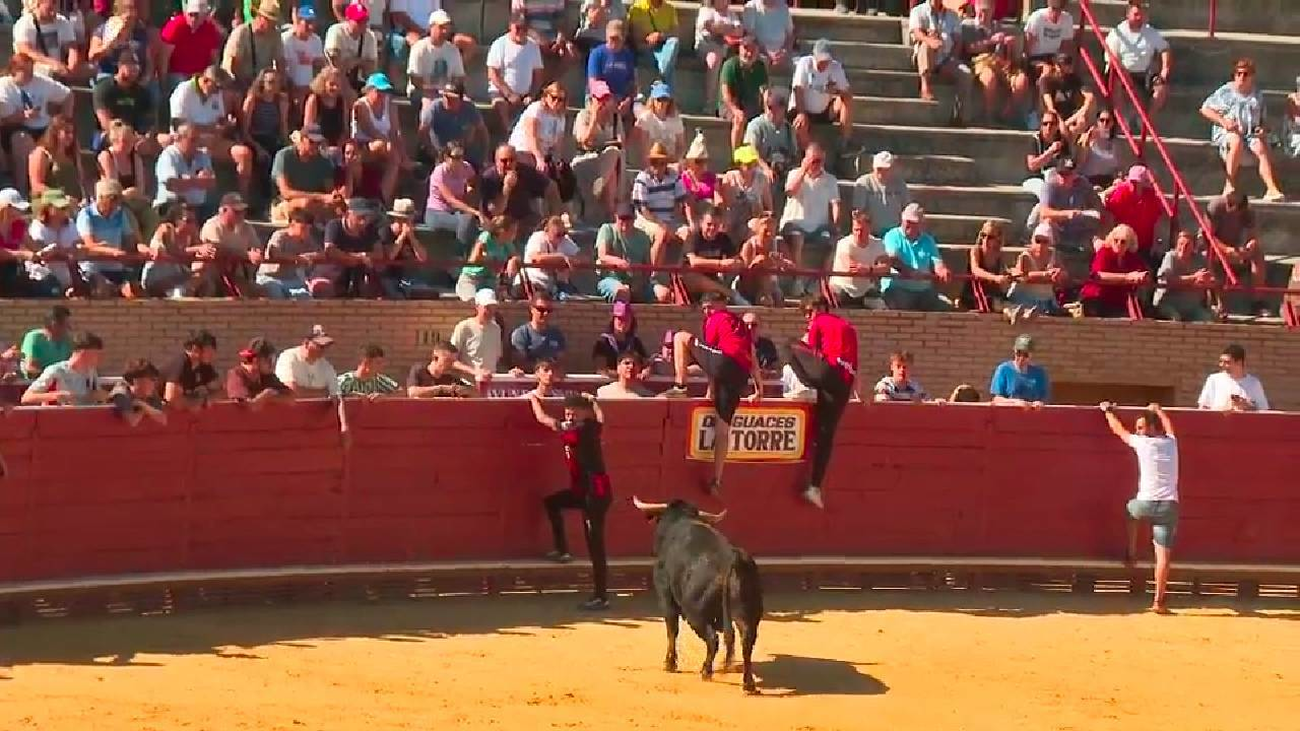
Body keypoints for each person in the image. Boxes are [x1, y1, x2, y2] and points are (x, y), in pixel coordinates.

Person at [664, 292, 763, 496]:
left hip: (725, 363)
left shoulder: (715, 319)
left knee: (680, 337)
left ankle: (681, 387)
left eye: (710, 306)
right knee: (723, 429)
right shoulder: (741, 326)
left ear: (722, 304)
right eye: (705, 308)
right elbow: (752, 356)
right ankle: (717, 480)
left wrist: (710, 389)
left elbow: (713, 360)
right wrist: (759, 389)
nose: (707, 311)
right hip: (740, 375)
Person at [532, 392, 613, 612]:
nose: (569, 413)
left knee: (595, 545)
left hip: (594, 495)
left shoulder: (582, 430)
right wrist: (595, 402)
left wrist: (533, 401)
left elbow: (548, 421)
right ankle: (563, 550)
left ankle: (601, 596)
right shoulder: (590, 427)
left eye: (574, 410)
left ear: (583, 413)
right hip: (585, 490)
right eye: (567, 409)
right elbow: (601, 419)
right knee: (552, 503)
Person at [1099, 400, 1179, 614]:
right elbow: (1170, 428)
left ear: (1152, 428)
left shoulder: (1143, 444)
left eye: (1142, 428)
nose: (1139, 432)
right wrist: (1159, 410)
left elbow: (1119, 431)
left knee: (1130, 511)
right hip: (1168, 507)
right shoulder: (1171, 443)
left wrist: (1107, 411)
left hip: (1144, 504)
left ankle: (1132, 552)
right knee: (1163, 557)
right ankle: (1158, 602)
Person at [787, 295, 858, 509]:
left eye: (810, 312)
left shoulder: (820, 321)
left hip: (829, 373)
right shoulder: (849, 327)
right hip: (844, 384)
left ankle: (804, 387)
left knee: (789, 345)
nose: (808, 317)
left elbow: (809, 347)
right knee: (825, 434)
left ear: (821, 308)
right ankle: (815, 487)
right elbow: (856, 367)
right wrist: (858, 393)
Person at [1200, 58, 1286, 202]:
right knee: (1236, 140)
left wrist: (1262, 129)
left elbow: (1263, 120)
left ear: (1252, 76)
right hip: (1229, 132)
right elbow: (1205, 109)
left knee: (1260, 146)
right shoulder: (1226, 92)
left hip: (1250, 133)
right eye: (1238, 74)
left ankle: (1272, 188)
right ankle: (1229, 185)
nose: (1241, 77)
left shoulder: (1257, 94)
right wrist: (1224, 122)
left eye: (1245, 74)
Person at [168, 65, 253, 198]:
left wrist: (225, 124)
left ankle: (242, 199)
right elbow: (178, 125)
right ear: (206, 81)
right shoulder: (184, 90)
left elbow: (218, 118)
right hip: (189, 140)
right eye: (217, 87)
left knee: (244, 154)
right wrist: (208, 129)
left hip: (213, 140)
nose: (219, 91)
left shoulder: (216, 94)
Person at [0, 52, 74, 195]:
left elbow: (68, 95)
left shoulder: (41, 82)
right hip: (16, 127)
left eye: (31, 70)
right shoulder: (4, 86)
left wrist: (65, 120)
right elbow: (5, 118)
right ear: (14, 71)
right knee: (22, 141)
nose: (30, 75)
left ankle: (69, 189)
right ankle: (23, 190)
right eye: (25, 71)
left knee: (64, 135)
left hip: (43, 126)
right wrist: (23, 116)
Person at [779, 142, 840, 297]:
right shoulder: (794, 174)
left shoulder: (830, 180)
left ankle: (820, 282)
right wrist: (804, 170)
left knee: (835, 242)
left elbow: (835, 203)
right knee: (798, 238)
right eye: (814, 160)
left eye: (820, 161)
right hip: (795, 222)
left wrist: (835, 223)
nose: (817, 164)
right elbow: (790, 191)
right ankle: (798, 280)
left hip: (818, 226)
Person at [961, 0, 1028, 124]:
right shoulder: (968, 25)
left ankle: (1009, 112)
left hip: (1000, 62)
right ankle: (988, 115)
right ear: (975, 9)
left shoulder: (998, 26)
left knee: (1021, 79)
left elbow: (1010, 55)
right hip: (980, 61)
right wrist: (991, 41)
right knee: (989, 78)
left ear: (993, 10)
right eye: (981, 11)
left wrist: (1009, 45)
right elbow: (969, 48)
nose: (983, 15)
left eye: (987, 11)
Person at [77, 179, 146, 298]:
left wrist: (140, 248)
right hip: (92, 269)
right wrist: (113, 252)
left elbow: (130, 239)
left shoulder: (120, 213)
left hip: (117, 268)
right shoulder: (86, 214)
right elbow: (89, 245)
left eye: (118, 199)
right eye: (113, 199)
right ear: (101, 198)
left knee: (134, 291)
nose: (117, 203)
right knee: (103, 290)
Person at [1105, 0, 1171, 119]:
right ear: (1127, 15)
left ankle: (1146, 122)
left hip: (1143, 73)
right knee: (1116, 82)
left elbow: (1165, 48)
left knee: (1161, 88)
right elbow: (1112, 58)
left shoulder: (1150, 31)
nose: (1139, 18)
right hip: (1121, 72)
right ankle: (1120, 121)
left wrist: (1165, 70)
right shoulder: (1117, 33)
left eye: (1141, 15)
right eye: (1135, 15)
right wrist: (1125, 76)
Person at [908, 0, 970, 125]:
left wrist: (953, 58)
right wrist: (929, 40)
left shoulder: (952, 16)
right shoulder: (918, 11)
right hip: (925, 56)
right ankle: (925, 86)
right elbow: (916, 33)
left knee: (966, 74)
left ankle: (959, 114)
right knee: (927, 46)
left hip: (945, 58)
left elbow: (958, 40)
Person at [571, 80, 623, 225]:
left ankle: (602, 186)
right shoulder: (583, 116)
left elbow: (620, 142)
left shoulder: (614, 117)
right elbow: (584, 141)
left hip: (606, 159)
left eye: (606, 98)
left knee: (613, 154)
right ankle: (610, 211)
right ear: (591, 99)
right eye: (599, 99)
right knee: (612, 164)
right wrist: (594, 117)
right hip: (586, 159)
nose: (603, 103)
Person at [881, 203, 951, 311]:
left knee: (945, 308)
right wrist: (910, 272)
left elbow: (937, 261)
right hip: (898, 288)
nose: (908, 224)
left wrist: (942, 270)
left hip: (924, 290)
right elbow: (892, 260)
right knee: (901, 304)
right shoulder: (892, 236)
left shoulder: (928, 240)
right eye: (906, 221)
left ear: (920, 224)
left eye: (912, 222)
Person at [196, 192, 263, 298]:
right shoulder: (212, 225)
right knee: (209, 289)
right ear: (223, 210)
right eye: (236, 211)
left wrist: (256, 253)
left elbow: (256, 248)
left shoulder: (246, 227)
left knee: (261, 292)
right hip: (212, 274)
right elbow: (216, 250)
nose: (241, 214)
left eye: (242, 211)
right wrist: (246, 255)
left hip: (236, 276)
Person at [790, 39, 854, 150]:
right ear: (814, 56)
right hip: (803, 108)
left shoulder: (835, 67)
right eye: (821, 60)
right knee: (800, 122)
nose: (823, 64)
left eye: (826, 61)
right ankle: (806, 151)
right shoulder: (805, 63)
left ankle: (845, 140)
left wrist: (836, 91)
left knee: (847, 100)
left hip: (823, 110)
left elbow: (847, 91)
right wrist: (801, 113)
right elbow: (798, 89)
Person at [486, 16, 544, 132]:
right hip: (501, 92)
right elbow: (493, 74)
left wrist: (532, 94)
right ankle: (509, 132)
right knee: (501, 104)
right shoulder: (499, 44)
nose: (520, 31)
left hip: (525, 94)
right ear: (510, 27)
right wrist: (509, 94)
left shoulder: (533, 46)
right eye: (517, 28)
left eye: (524, 28)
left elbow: (538, 74)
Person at [272, 125, 341, 222]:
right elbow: (286, 193)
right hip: (286, 203)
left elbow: (329, 190)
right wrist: (320, 197)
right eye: (311, 142)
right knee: (305, 204)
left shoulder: (324, 161)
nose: (315, 146)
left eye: (318, 143)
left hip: (316, 203)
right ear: (302, 139)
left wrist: (335, 197)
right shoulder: (284, 156)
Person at [258, 207, 331, 299]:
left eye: (309, 229)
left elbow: (322, 254)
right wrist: (298, 258)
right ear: (292, 224)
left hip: (292, 279)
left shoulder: (307, 239)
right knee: (276, 295)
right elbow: (275, 253)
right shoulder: (280, 236)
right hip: (270, 277)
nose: (306, 232)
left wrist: (310, 256)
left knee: (305, 297)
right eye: (303, 228)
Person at [1079, 223, 1148, 319]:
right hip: (1097, 298)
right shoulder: (1104, 252)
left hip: (1118, 300)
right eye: (1116, 240)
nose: (1119, 244)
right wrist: (1127, 277)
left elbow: (1142, 273)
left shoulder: (1132, 258)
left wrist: (1142, 277)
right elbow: (1098, 276)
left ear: (1130, 244)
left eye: (1123, 242)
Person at [596, 204, 661, 303]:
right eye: (622, 218)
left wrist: (639, 282)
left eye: (628, 218)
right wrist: (618, 262)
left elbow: (647, 266)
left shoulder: (643, 237)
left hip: (638, 282)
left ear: (634, 218)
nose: (625, 222)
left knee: (664, 294)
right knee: (623, 292)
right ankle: (621, 318)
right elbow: (602, 255)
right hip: (611, 279)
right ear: (616, 217)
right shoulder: (607, 229)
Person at [20, 331, 105, 406]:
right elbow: (26, 397)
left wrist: (99, 396)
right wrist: (54, 396)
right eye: (96, 354)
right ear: (83, 353)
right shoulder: (56, 371)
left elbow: (91, 399)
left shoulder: (91, 372)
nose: (99, 358)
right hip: (57, 419)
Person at [417, 81, 488, 170]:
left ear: (461, 99)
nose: (447, 101)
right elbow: (423, 130)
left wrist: (484, 155)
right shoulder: (435, 108)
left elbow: (482, 131)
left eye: (452, 98)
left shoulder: (470, 108)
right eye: (445, 97)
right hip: (439, 152)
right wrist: (431, 150)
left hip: (462, 152)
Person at [405, 10, 466, 112]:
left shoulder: (453, 50)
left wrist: (451, 89)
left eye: (447, 28)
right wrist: (435, 91)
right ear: (431, 27)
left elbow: (459, 77)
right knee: (431, 105)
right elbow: (415, 80)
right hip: (421, 92)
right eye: (441, 27)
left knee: (467, 104)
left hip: (445, 93)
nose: (445, 31)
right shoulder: (419, 48)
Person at [154, 122, 218, 220]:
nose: (196, 144)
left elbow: (211, 182)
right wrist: (198, 181)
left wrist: (187, 181)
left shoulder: (202, 155)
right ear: (179, 139)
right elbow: (172, 184)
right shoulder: (168, 155)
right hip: (171, 207)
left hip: (198, 207)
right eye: (192, 140)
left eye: (198, 140)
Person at [424, 143, 481, 250]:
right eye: (455, 157)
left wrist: (470, 190)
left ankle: (467, 254)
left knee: (467, 221)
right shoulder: (439, 172)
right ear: (446, 157)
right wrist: (475, 212)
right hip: (437, 212)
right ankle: (462, 255)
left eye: (461, 157)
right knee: (465, 222)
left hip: (457, 212)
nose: (459, 161)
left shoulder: (466, 167)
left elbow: (473, 183)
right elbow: (451, 200)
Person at [828, 208, 889, 309]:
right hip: (843, 289)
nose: (859, 234)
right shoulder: (844, 243)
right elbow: (852, 268)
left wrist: (869, 269)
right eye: (856, 230)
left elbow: (886, 267)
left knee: (881, 306)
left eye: (862, 230)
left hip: (866, 290)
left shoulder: (878, 244)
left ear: (869, 228)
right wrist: (874, 272)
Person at [141, 200, 204, 297]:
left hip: (176, 275)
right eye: (188, 221)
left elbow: (200, 250)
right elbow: (173, 251)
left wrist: (206, 252)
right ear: (177, 220)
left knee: (203, 277)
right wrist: (197, 249)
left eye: (194, 221)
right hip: (157, 273)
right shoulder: (166, 229)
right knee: (180, 289)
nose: (192, 225)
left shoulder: (192, 234)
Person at [1006, 222, 1067, 320]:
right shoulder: (1025, 256)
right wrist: (1046, 275)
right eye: (1038, 241)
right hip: (1026, 299)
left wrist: (1059, 274)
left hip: (1046, 300)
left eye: (1045, 241)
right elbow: (1024, 276)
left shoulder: (1054, 255)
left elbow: (1064, 275)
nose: (1040, 245)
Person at [325, 197, 382, 297]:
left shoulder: (371, 229)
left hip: (359, 277)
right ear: (348, 214)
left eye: (366, 217)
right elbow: (330, 250)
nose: (363, 222)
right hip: (334, 274)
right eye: (360, 217)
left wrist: (363, 255)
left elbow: (379, 253)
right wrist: (358, 257)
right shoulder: (334, 225)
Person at [222, 0, 286, 90]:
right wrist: (249, 87)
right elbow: (234, 66)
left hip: (262, 83)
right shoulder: (241, 33)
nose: (273, 25)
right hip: (237, 82)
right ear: (260, 17)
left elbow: (280, 62)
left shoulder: (275, 35)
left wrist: (281, 83)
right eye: (270, 21)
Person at [718, 35, 768, 149]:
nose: (749, 53)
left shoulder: (760, 67)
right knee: (739, 120)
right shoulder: (730, 65)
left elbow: (765, 91)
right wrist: (735, 110)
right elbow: (726, 94)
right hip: (730, 105)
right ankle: (736, 157)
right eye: (746, 49)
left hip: (750, 104)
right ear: (739, 49)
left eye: (752, 50)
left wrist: (767, 111)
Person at [1154, 230, 1215, 323]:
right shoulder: (1171, 257)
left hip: (1192, 307)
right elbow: (1168, 280)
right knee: (1176, 320)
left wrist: (1206, 281)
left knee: (1207, 320)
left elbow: (1210, 279)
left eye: (1187, 245)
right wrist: (1193, 278)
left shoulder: (1200, 260)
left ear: (1193, 247)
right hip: (1169, 303)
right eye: (1181, 244)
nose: (1183, 248)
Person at [456, 216, 519, 302]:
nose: (515, 234)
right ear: (502, 230)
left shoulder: (507, 243)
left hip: (490, 281)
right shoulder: (486, 237)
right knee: (473, 303)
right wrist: (490, 261)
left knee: (497, 302)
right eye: (512, 231)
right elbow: (473, 259)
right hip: (472, 279)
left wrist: (513, 260)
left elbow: (515, 256)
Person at [694, 0, 742, 112]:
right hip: (706, 49)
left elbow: (739, 31)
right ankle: (709, 104)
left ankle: (732, 106)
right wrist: (729, 29)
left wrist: (721, 28)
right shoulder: (706, 11)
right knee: (714, 59)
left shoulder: (732, 14)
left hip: (725, 51)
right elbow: (709, 27)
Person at [521, 215, 582, 299]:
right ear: (547, 231)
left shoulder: (564, 240)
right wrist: (561, 258)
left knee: (575, 299)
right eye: (557, 234)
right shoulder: (538, 237)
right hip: (535, 283)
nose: (561, 238)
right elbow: (537, 258)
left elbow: (584, 257)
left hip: (556, 286)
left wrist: (573, 261)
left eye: (563, 233)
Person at [324, 1, 380, 92]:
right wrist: (361, 62)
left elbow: (372, 69)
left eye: (365, 20)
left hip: (359, 82)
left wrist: (352, 62)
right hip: (334, 81)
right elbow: (336, 65)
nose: (363, 24)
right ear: (348, 19)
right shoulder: (336, 31)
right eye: (359, 21)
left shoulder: (370, 37)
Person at [852, 151, 911, 237]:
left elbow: (906, 208)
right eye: (879, 169)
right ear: (873, 167)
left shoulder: (900, 184)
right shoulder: (863, 183)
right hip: (871, 234)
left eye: (885, 169)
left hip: (895, 234)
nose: (881, 172)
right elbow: (859, 213)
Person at [449, 288, 505, 377]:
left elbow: (497, 359)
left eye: (492, 308)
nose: (490, 311)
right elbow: (451, 360)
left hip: (489, 384)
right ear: (477, 307)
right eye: (487, 308)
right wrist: (475, 372)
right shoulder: (464, 327)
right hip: (468, 384)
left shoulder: (496, 329)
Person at [225, 336, 294, 407]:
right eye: (269, 360)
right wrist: (264, 396)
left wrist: (270, 397)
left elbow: (290, 396)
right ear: (255, 360)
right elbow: (244, 404)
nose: (272, 364)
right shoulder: (237, 374)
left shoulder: (267, 376)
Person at [1197, 343, 1268, 412]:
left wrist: (1247, 406)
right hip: (1218, 422)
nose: (1222, 365)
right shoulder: (1214, 379)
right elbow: (1204, 406)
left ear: (1239, 362)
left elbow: (1263, 410)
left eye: (1227, 362)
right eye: (1221, 361)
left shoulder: (1253, 383)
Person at [960, 218, 1011, 313]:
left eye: (991, 237)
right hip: (975, 294)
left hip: (993, 294)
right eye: (983, 235)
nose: (986, 240)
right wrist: (994, 278)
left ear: (998, 239)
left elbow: (1004, 272)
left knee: (1008, 301)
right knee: (996, 303)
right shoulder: (976, 251)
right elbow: (976, 270)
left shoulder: (999, 255)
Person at [161, 329, 221, 408]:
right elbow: (171, 399)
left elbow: (220, 390)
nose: (212, 352)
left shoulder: (204, 366)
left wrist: (208, 399)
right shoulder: (180, 364)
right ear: (195, 349)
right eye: (208, 348)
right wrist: (194, 403)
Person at [275, 325, 340, 397]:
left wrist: (303, 391)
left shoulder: (326, 365)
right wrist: (322, 392)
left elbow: (334, 393)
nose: (324, 349)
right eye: (320, 346)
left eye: (326, 346)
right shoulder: (288, 357)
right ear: (306, 343)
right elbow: (290, 390)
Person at [586, 18, 637, 110]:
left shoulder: (628, 55)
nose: (614, 41)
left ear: (624, 38)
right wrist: (609, 99)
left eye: (617, 38)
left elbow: (631, 84)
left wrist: (628, 100)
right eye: (611, 38)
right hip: (599, 97)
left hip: (620, 98)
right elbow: (593, 82)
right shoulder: (597, 54)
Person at [281, 5, 325, 109]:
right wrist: (292, 87)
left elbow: (319, 66)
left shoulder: (316, 40)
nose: (311, 26)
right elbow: (282, 68)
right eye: (307, 22)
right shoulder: (286, 40)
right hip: (290, 85)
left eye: (312, 22)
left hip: (310, 86)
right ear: (299, 21)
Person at [627, 0, 680, 86]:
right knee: (670, 68)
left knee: (674, 42)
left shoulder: (670, 9)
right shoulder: (637, 8)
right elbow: (634, 34)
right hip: (645, 46)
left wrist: (660, 36)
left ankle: (662, 72)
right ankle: (663, 81)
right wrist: (649, 38)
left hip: (663, 47)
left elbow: (675, 32)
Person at [989, 334, 1049, 407]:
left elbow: (1045, 398)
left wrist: (1039, 403)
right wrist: (1015, 402)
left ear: (1031, 355)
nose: (1021, 358)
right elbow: (997, 399)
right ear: (1014, 351)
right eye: (1018, 354)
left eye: (1025, 355)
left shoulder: (1039, 373)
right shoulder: (1004, 369)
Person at [511, 292, 567, 370]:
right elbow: (520, 363)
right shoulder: (521, 334)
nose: (545, 313)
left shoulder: (557, 335)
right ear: (531, 309)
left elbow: (561, 361)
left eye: (549, 310)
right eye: (541, 309)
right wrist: (543, 369)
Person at [634, 81, 686, 165]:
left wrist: (675, 161)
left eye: (665, 99)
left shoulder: (676, 120)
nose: (662, 103)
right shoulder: (646, 119)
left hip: (670, 162)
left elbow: (680, 146)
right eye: (659, 99)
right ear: (653, 100)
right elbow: (644, 147)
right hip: (652, 162)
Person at [591, 300, 648, 375]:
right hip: (608, 384)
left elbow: (645, 363)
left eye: (626, 319)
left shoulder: (635, 342)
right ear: (613, 320)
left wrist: (646, 371)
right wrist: (624, 375)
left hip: (631, 384)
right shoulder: (603, 342)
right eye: (620, 319)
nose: (623, 323)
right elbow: (601, 369)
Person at [406, 341, 478, 399]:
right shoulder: (419, 370)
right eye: (447, 360)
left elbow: (473, 393)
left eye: (453, 361)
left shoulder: (452, 376)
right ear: (436, 358)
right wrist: (441, 388)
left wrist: (464, 390)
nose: (451, 364)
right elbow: (412, 392)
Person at [110, 358, 168, 427]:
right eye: (151, 379)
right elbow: (133, 421)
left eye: (154, 379)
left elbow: (163, 419)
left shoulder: (150, 393)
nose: (153, 383)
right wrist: (144, 406)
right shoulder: (121, 393)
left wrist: (143, 405)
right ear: (136, 381)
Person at [19, 305, 73, 379]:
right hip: (37, 384)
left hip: (60, 383)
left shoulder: (67, 341)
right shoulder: (35, 338)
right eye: (66, 324)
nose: (70, 328)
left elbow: (71, 365)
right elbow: (31, 368)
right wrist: (52, 376)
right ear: (54, 324)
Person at [741, 0, 793, 71]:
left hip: (781, 53)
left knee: (799, 63)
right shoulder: (751, 7)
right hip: (759, 52)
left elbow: (790, 35)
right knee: (762, 62)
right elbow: (749, 37)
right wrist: (768, 54)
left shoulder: (783, 7)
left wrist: (785, 51)